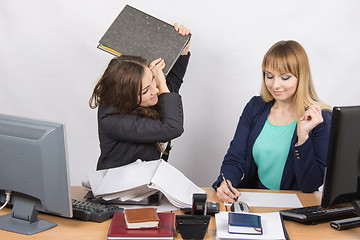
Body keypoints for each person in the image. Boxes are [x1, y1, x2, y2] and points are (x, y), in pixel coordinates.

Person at [213, 40, 332, 203]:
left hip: (295, 206)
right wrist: (225, 182)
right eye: (269, 76)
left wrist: (303, 137)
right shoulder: (255, 107)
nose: (275, 85)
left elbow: (310, 185)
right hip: (255, 199)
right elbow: (235, 157)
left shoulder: (320, 118)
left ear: (301, 77)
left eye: (285, 77)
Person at [89, 23, 191, 170]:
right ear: (126, 96)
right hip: (117, 188)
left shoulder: (144, 98)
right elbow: (173, 128)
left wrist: (182, 50)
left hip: (145, 183)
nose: (155, 90)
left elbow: (171, 88)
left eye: (153, 79)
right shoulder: (112, 120)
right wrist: (161, 82)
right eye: (145, 91)